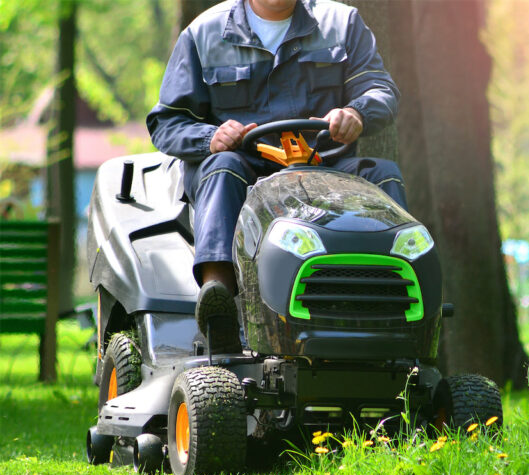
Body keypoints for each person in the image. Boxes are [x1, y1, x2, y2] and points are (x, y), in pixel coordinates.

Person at [147, 0, 405, 353]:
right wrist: (211, 138)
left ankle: (390, 304)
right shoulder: (203, 33)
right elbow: (167, 121)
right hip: (244, 170)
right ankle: (218, 301)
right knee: (222, 167)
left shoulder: (341, 23)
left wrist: (356, 112)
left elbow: (380, 90)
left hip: (325, 168)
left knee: (383, 175)